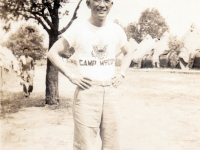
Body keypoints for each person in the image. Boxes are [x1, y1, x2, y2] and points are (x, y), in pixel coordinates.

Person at [47, 0, 133, 149]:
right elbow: (52, 53)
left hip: (111, 92)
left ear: (111, 4)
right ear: (88, 3)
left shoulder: (116, 29)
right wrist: (71, 75)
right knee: (85, 145)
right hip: (87, 92)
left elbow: (129, 51)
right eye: (97, 0)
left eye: (106, 0)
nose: (102, 4)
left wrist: (122, 74)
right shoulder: (79, 28)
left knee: (113, 145)